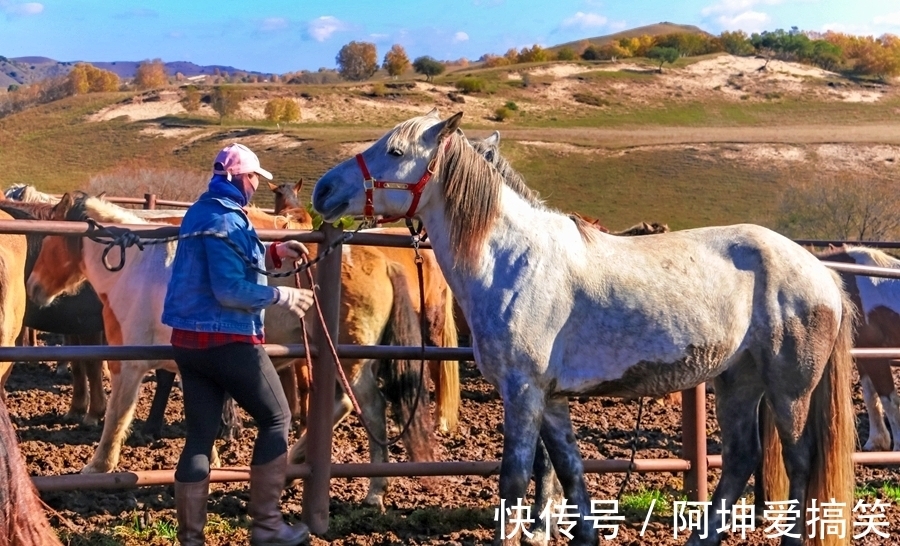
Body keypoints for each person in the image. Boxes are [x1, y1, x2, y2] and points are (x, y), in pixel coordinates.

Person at [162, 143, 313, 546]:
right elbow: (229, 288)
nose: (255, 187)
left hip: (188, 343)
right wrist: (283, 296)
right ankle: (266, 526)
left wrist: (273, 251)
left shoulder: (201, 212)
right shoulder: (228, 220)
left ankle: (191, 540)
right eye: (251, 179)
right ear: (234, 177)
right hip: (228, 338)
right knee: (277, 419)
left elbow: (228, 257)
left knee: (199, 437)